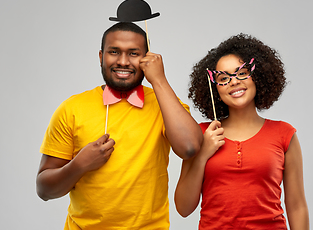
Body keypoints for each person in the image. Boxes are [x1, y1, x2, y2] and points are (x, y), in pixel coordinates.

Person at [36, 22, 203, 229]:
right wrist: (79, 165)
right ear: (101, 57)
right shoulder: (71, 109)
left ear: (147, 59)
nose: (123, 61)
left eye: (133, 53)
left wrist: (158, 79)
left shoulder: (165, 105)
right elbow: (44, 190)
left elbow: (190, 147)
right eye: (114, 52)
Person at [175, 33, 309, 229]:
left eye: (242, 73)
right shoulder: (201, 134)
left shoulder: (284, 134)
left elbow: (297, 206)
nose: (234, 81)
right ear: (215, 89)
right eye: (223, 78)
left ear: (258, 76)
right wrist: (203, 153)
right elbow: (184, 208)